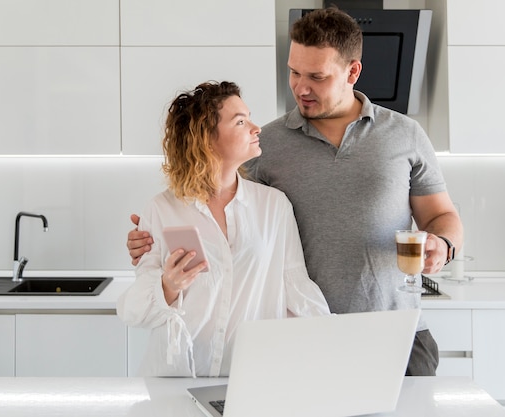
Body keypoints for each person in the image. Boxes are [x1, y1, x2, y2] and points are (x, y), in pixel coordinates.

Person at [127, 7, 463, 376]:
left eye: (317, 76)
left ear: (352, 71)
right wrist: (154, 247)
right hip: (307, 341)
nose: (301, 87)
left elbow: (441, 216)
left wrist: (443, 245)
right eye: (294, 72)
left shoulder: (405, 134)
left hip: (398, 333)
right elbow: (223, 219)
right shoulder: (265, 142)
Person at [117, 81, 330, 378]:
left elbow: (295, 287)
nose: (256, 128)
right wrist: (167, 286)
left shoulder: (274, 206)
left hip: (248, 379)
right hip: (176, 378)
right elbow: (133, 311)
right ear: (206, 139)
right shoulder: (161, 209)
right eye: (241, 122)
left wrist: (331, 346)